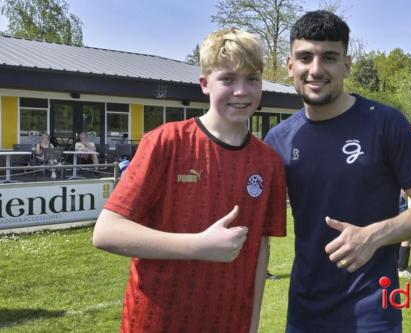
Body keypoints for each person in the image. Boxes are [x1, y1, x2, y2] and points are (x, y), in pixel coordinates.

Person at [92, 28, 286, 333]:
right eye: (228, 79)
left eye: (252, 78)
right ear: (204, 84)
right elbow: (106, 232)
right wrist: (197, 245)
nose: (242, 91)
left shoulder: (269, 162)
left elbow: (260, 250)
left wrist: (252, 324)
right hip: (156, 322)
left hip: (230, 323)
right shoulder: (165, 141)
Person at [264, 10, 411, 333]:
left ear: (347, 65)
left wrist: (372, 237)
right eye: (305, 57)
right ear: (290, 66)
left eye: (329, 57)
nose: (316, 69)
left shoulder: (385, 123)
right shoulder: (278, 140)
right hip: (304, 315)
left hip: (372, 313)